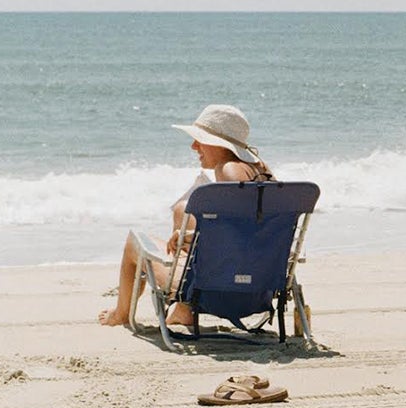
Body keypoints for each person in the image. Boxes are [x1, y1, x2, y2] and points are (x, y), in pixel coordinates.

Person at [98, 104, 275, 330]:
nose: (194, 146)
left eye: (200, 140)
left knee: (134, 242)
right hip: (259, 288)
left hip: (217, 291)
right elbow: (256, 232)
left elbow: (238, 234)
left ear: (218, 143)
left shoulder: (228, 169)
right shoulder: (261, 171)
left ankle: (121, 314)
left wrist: (197, 237)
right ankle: (182, 311)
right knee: (184, 209)